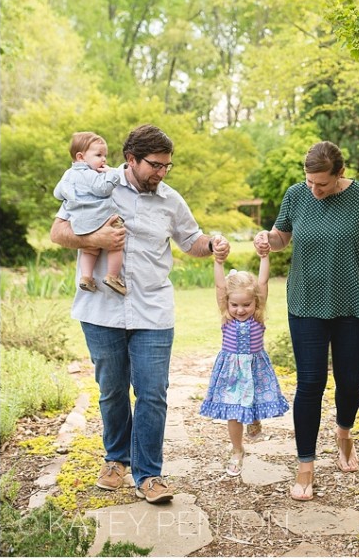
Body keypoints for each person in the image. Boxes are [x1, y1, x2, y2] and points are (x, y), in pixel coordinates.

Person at [50, 124, 231, 504]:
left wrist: (213, 242)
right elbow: (58, 232)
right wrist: (93, 240)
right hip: (101, 310)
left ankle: (148, 474)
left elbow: (191, 241)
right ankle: (117, 459)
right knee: (112, 390)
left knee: (152, 393)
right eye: (155, 165)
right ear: (130, 159)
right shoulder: (95, 182)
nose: (162, 173)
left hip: (153, 311)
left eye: (167, 166)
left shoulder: (170, 199)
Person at [254, 141, 359, 502]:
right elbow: (281, 238)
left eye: (322, 184)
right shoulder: (296, 195)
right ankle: (305, 465)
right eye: (309, 182)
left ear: (340, 174)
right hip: (306, 302)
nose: (314, 189)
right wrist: (267, 239)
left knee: (350, 382)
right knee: (310, 383)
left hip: (352, 304)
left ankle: (344, 433)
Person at [199, 245, 290, 476]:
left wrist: (264, 257)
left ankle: (255, 418)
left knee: (253, 402)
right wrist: (218, 263)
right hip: (231, 371)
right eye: (235, 305)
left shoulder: (257, 317)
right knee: (233, 410)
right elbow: (221, 286)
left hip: (255, 369)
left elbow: (263, 283)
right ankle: (237, 450)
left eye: (246, 305)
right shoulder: (227, 317)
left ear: (256, 303)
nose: (240, 310)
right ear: (227, 303)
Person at [53, 131, 127, 295]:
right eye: (99, 155)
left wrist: (72, 197)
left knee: (90, 249)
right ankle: (113, 277)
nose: (104, 159)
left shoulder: (67, 175)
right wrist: (112, 173)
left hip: (80, 223)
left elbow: (57, 193)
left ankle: (86, 277)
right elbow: (103, 189)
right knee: (117, 243)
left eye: (105, 155)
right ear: (81, 157)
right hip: (102, 218)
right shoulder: (90, 174)